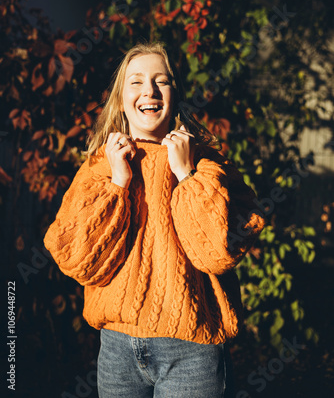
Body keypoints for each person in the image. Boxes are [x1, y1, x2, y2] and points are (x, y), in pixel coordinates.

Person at [44, 41, 266, 398]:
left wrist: (185, 174)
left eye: (161, 81)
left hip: (192, 350)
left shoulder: (206, 163)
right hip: (116, 347)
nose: (148, 90)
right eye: (136, 81)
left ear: (175, 94)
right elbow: (76, 259)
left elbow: (218, 253)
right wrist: (118, 184)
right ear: (120, 99)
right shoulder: (99, 167)